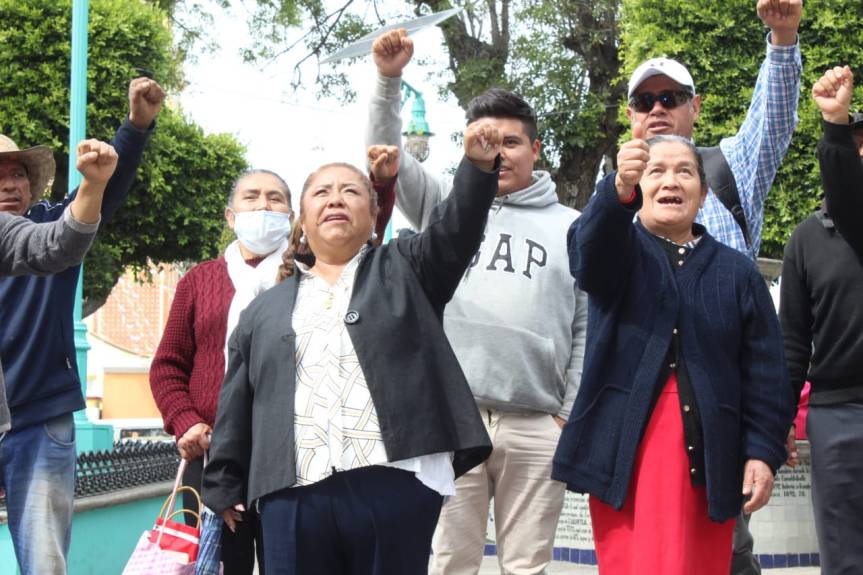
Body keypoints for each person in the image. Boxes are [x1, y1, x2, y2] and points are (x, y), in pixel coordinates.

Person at [202, 125, 500, 575]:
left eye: (351, 191)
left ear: (374, 211)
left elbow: (455, 232)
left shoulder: (408, 267)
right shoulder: (263, 309)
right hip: (290, 494)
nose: (336, 199)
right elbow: (237, 403)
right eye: (321, 193)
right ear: (302, 219)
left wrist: (476, 168)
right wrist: (224, 481)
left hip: (395, 484)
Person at [367, 29, 587, 574]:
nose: (500, 152)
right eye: (488, 141)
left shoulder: (574, 226)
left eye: (512, 142)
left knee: (526, 565)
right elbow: (385, 158)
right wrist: (388, 81)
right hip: (450, 419)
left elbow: (586, 322)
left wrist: (566, 413)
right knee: (449, 562)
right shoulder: (444, 205)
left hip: (536, 422)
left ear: (535, 150)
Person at [552, 129, 793, 575]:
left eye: (685, 172)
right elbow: (587, 255)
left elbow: (766, 375)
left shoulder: (738, 273)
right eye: (655, 171)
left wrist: (762, 452)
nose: (670, 181)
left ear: (703, 194)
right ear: (637, 187)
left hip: (713, 452)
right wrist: (615, 190)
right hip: (626, 450)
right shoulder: (617, 251)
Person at [625, 3, 801, 571]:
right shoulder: (611, 198)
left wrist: (782, 37)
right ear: (630, 117)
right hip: (637, 416)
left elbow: (772, 123)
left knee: (725, 549)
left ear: (694, 108)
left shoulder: (729, 170)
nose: (657, 109)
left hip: (719, 409)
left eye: (670, 97)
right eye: (644, 101)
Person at [0, 77, 164, 575]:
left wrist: (135, 126)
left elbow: (99, 191)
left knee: (45, 561)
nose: (9, 184)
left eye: (17, 174)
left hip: (39, 419)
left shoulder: (51, 223)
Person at [150, 168, 294, 573]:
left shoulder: (305, 277)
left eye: (275, 198)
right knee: (218, 564)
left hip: (288, 455)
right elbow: (167, 366)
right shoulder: (200, 281)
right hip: (211, 452)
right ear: (230, 216)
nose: (263, 205)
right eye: (251, 197)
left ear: (290, 216)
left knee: (289, 559)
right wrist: (186, 421)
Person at [780, 66, 863, 575]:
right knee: (844, 557)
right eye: (855, 145)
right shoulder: (806, 239)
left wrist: (836, 127)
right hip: (836, 414)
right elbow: (793, 340)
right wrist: (782, 418)